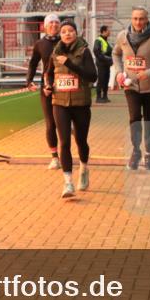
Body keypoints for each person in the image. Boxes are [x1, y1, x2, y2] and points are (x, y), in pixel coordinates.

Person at [43, 20, 98, 199]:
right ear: (60, 34)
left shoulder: (84, 51)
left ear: (76, 33)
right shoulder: (55, 52)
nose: (67, 34)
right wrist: (48, 85)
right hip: (59, 103)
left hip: (81, 104)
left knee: (81, 141)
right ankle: (68, 183)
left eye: (70, 31)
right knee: (64, 142)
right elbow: (49, 73)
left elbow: (92, 76)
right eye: (64, 31)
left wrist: (70, 63)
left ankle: (84, 168)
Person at [113, 7, 150, 170]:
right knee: (134, 119)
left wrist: (149, 73)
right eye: (135, 18)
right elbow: (116, 54)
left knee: (149, 121)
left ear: (146, 20)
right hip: (130, 86)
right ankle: (136, 151)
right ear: (131, 19)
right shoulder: (122, 36)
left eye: (141, 19)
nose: (138, 22)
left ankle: (148, 153)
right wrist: (119, 72)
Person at [26, 13, 62, 169]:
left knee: (64, 122)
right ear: (45, 26)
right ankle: (54, 157)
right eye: (51, 22)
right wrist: (29, 80)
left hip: (65, 86)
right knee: (50, 123)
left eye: (56, 22)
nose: (54, 25)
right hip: (47, 87)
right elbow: (33, 63)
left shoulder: (66, 40)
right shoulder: (40, 44)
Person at [93, 25, 113, 103]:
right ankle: (98, 97)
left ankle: (105, 96)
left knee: (106, 79)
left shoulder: (106, 41)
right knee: (101, 80)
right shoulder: (98, 40)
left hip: (106, 64)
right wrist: (107, 59)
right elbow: (97, 52)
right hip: (101, 63)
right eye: (108, 30)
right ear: (104, 31)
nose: (109, 32)